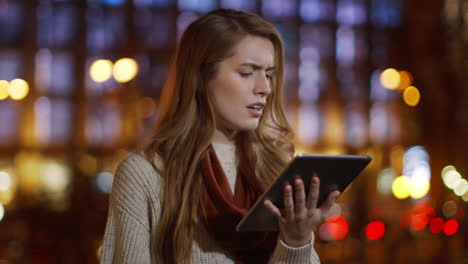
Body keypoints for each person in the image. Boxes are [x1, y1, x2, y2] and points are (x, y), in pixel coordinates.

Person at [100, 8, 340, 264]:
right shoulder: (146, 174)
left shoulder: (277, 169)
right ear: (202, 77)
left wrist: (296, 242)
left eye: (269, 74)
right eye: (247, 73)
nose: (265, 88)